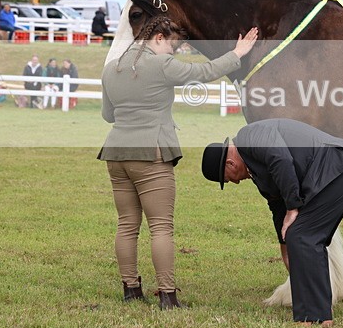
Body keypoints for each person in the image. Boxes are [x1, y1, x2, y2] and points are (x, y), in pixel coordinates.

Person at [99, 16, 258, 309]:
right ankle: (168, 296)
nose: (172, 53)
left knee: (126, 225)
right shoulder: (161, 65)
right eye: (172, 47)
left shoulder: (111, 69)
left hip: (116, 153)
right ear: (158, 37)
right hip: (152, 153)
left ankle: (131, 289)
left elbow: (108, 115)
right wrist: (237, 54)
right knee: (161, 227)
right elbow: (204, 71)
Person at [201, 119, 343, 328]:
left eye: (228, 179)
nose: (235, 182)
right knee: (300, 236)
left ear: (230, 164)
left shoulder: (249, 136)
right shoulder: (255, 169)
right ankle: (320, 315)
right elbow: (276, 207)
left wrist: (293, 208)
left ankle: (311, 317)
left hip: (342, 167)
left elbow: (280, 159)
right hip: (339, 171)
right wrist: (285, 243)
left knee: (303, 236)